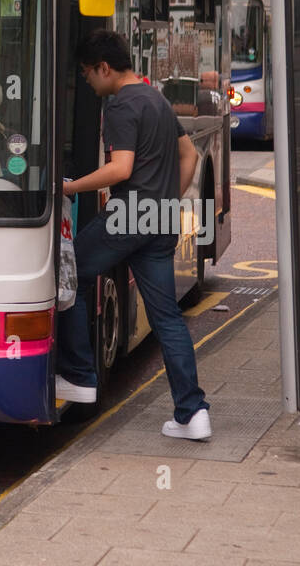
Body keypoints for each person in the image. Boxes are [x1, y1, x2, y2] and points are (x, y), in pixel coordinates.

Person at [57, 29, 211, 440]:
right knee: (167, 318)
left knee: (69, 275)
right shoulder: (155, 97)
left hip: (128, 216)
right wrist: (167, 201)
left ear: (105, 68)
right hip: (158, 219)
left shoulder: (122, 104)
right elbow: (189, 154)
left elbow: (120, 169)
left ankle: (78, 377)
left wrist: (70, 187)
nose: (88, 81)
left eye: (89, 73)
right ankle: (192, 413)